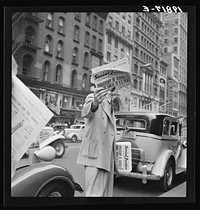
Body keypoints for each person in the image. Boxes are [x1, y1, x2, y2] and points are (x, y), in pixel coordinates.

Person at [76, 87, 118, 196]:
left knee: (105, 194)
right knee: (94, 194)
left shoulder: (111, 104)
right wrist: (95, 102)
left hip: (107, 157)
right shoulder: (93, 97)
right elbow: (86, 111)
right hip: (95, 156)